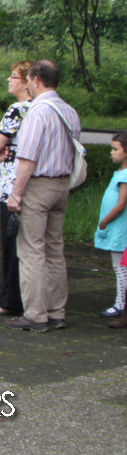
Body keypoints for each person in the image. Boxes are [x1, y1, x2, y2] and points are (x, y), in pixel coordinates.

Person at [5, 60, 81, 333]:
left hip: (38, 187)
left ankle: (36, 314)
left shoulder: (37, 112)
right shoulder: (69, 111)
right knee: (54, 250)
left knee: (31, 251)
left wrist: (16, 193)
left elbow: (28, 158)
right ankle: (56, 311)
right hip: (62, 185)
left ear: (35, 80)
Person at [0, 61, 33, 317]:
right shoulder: (40, 108)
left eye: (14, 76)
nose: (9, 79)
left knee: (11, 243)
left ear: (27, 82)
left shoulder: (18, 109)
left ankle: (10, 299)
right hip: (31, 186)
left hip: (10, 187)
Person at [95, 133, 127, 319]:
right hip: (117, 228)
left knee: (120, 267)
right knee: (120, 267)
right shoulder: (120, 174)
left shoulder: (125, 175)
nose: (111, 152)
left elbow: (121, 204)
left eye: (116, 149)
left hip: (119, 229)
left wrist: (105, 221)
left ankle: (120, 304)